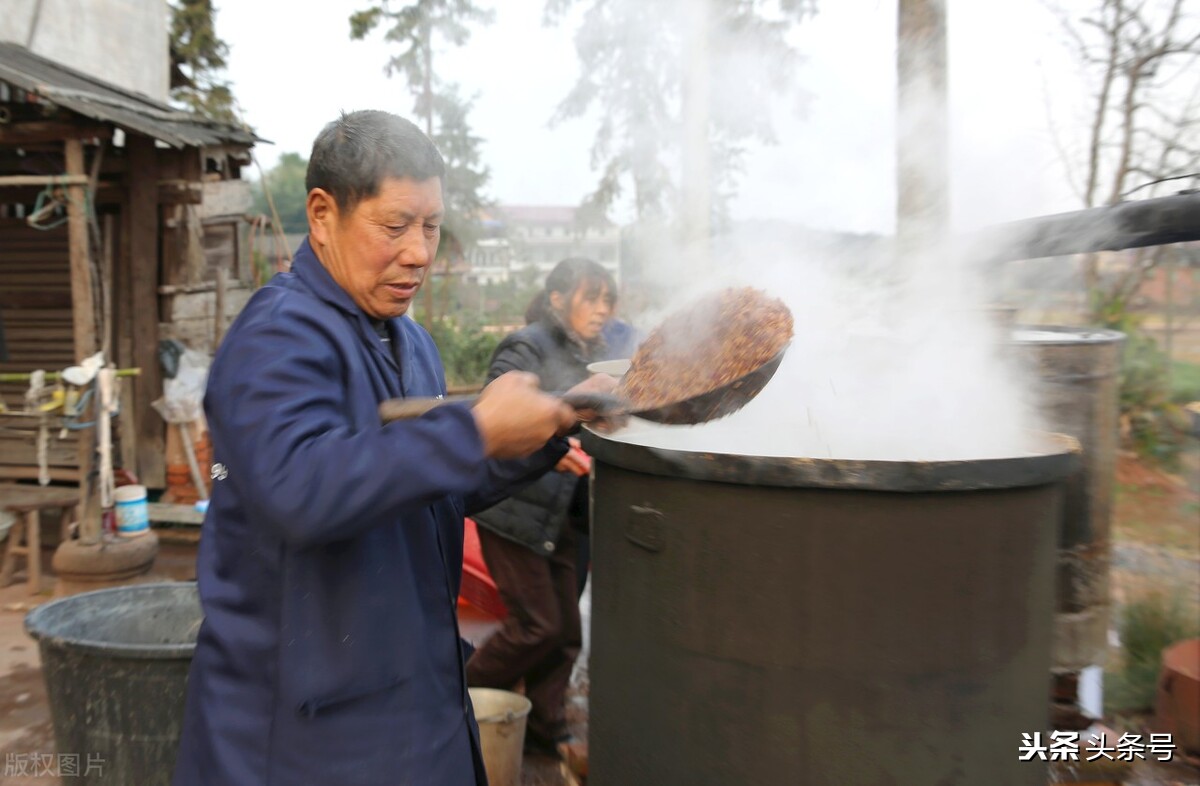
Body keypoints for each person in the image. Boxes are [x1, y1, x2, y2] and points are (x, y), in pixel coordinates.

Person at [172, 111, 612, 786]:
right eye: (394, 225)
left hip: (414, 699)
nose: (419, 252)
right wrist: (474, 429)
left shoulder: (410, 343)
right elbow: (300, 488)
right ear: (322, 215)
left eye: (431, 226)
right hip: (305, 734)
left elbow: (433, 484)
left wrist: (556, 424)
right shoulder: (278, 335)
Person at [465, 257, 620, 759]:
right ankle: (455, 693)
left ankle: (544, 730)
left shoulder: (601, 351)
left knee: (566, 634)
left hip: (566, 516)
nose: (601, 311)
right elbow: (499, 408)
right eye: (589, 298)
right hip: (516, 511)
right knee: (539, 625)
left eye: (607, 300)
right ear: (557, 300)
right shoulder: (527, 345)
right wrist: (550, 443)